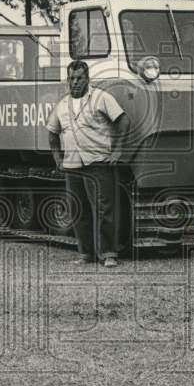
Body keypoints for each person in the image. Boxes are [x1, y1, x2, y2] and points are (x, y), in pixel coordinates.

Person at [46, 60, 129, 268]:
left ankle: (108, 253)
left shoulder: (101, 98)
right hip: (73, 164)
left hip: (98, 162)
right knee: (78, 209)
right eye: (72, 78)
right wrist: (57, 157)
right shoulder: (62, 105)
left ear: (87, 78)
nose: (75, 82)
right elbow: (52, 132)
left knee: (104, 209)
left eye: (79, 78)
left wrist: (118, 150)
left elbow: (123, 121)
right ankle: (86, 253)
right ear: (67, 80)